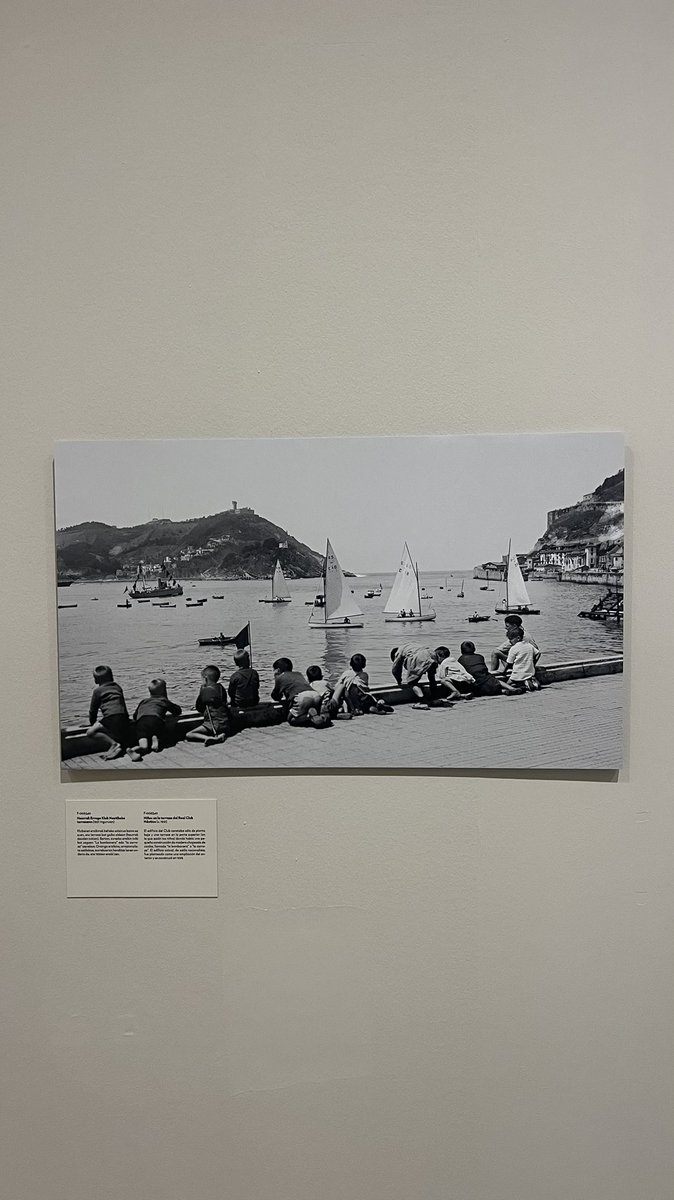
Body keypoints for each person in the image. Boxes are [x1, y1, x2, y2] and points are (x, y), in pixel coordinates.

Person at [87, 665, 135, 761]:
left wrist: (92, 723)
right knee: (121, 733)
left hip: (111, 719)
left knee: (90, 732)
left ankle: (114, 744)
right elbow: (122, 704)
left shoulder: (97, 691)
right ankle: (121, 747)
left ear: (96, 680)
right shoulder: (117, 687)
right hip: (123, 717)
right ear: (112, 676)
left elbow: (93, 710)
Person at [271, 658, 331, 727]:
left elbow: (276, 696)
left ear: (278, 670)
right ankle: (320, 715)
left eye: (273, 669)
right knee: (305, 708)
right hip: (315, 695)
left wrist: (276, 678)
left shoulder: (280, 678)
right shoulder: (298, 674)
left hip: (302, 698)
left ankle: (309, 716)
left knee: (291, 719)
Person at [130, 678, 182, 756]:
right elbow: (177, 711)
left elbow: (135, 716)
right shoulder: (163, 700)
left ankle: (134, 750)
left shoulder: (144, 701)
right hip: (155, 719)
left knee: (143, 745)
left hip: (141, 722)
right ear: (164, 691)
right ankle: (156, 738)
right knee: (158, 729)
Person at [186, 665, 231, 746]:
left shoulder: (205, 691)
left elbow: (199, 707)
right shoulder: (221, 688)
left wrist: (201, 691)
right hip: (225, 722)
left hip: (213, 725)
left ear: (205, 678)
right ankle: (221, 734)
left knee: (189, 734)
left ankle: (207, 738)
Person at [390, 643, 439, 709]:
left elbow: (396, 669)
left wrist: (399, 680)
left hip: (418, 656)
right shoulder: (408, 646)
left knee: (412, 682)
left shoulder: (399, 652)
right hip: (431, 654)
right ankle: (434, 697)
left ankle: (422, 701)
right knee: (431, 677)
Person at [504, 628, 541, 692]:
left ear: (518, 638)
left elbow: (509, 662)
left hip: (517, 674)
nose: (510, 641)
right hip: (530, 672)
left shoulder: (513, 648)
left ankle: (523, 686)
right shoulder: (529, 645)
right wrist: (534, 663)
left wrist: (504, 671)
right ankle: (530, 682)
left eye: (511, 639)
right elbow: (538, 653)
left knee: (507, 684)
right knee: (526, 678)